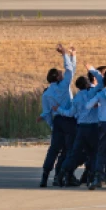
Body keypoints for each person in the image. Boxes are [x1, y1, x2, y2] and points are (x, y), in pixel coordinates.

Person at [39, 44, 77, 187]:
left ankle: (45, 176)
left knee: (54, 149)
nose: (63, 74)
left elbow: (47, 113)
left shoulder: (47, 94)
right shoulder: (64, 86)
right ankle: (59, 175)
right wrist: (65, 54)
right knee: (68, 149)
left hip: (57, 122)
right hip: (69, 120)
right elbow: (70, 70)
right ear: (58, 77)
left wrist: (52, 125)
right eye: (60, 73)